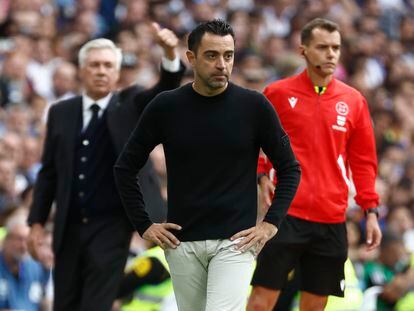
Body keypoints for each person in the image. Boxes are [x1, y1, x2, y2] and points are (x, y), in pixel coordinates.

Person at [114, 19, 301, 311]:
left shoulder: (254, 106)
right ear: (191, 58)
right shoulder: (166, 106)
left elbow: (290, 168)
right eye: (212, 55)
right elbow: (125, 168)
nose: (222, 64)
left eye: (228, 56)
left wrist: (270, 225)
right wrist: (144, 225)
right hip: (181, 245)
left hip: (235, 243)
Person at [27, 23, 185, 311]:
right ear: (81, 70)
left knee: (96, 304)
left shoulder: (130, 103)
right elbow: (49, 171)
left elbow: (166, 88)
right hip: (68, 224)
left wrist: (170, 54)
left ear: (116, 72)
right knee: (65, 302)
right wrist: (36, 222)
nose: (101, 71)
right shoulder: (61, 112)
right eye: (95, 65)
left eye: (108, 66)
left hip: (111, 226)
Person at [247, 18, 382, 311]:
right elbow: (256, 141)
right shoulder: (278, 93)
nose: (331, 54)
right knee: (260, 303)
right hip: (285, 214)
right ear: (303, 50)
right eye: (322, 47)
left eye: (335, 48)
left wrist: (370, 211)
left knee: (314, 307)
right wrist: (260, 175)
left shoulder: (354, 101)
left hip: (331, 220)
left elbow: (363, 162)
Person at [0, 217, 47, 311]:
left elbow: (44, 301)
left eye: (27, 240)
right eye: (19, 239)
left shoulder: (36, 268)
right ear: (6, 239)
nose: (23, 246)